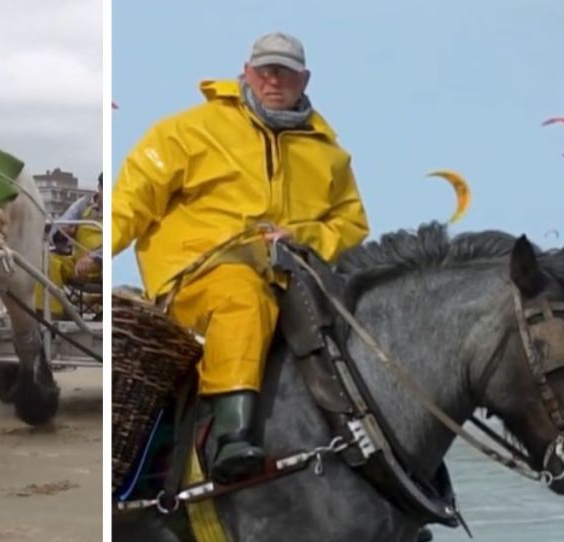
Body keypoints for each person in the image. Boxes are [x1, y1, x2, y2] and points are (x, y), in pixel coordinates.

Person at [112, 31, 369, 484]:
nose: (274, 80)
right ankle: (233, 437)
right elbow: (130, 202)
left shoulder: (330, 154)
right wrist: (96, 255)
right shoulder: (188, 130)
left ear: (304, 79)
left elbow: (350, 227)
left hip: (297, 280)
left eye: (286, 72)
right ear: (247, 71)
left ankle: (392, 480)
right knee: (243, 296)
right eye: (265, 69)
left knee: (374, 324)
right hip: (201, 274)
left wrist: (301, 235)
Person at [35, 172, 104, 317]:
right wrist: (63, 234)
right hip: (78, 263)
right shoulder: (83, 205)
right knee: (48, 260)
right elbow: (57, 227)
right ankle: (52, 314)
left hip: (105, 265)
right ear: (99, 188)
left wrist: (94, 257)